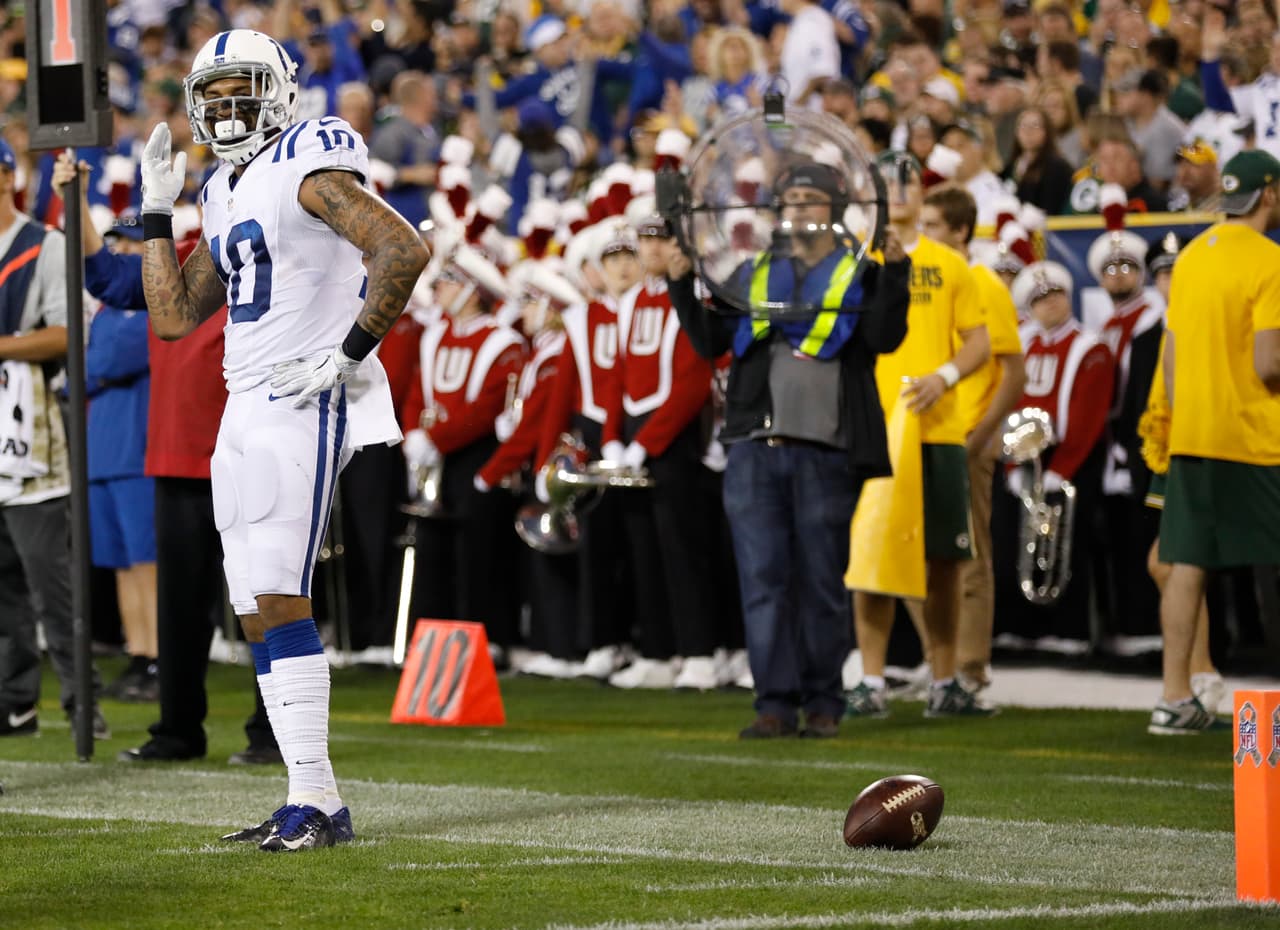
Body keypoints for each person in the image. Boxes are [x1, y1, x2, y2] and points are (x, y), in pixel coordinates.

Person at [140, 30, 429, 847]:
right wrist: (158, 210)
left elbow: (402, 248)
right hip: (245, 400)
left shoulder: (311, 155)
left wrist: (347, 354)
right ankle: (313, 795)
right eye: (216, 93)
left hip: (303, 393)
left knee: (278, 595)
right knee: (254, 607)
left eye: (244, 90)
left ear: (280, 91)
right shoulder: (227, 187)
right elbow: (172, 317)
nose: (228, 107)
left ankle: (320, 803)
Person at [667, 159, 912, 738]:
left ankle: (824, 700)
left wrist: (897, 273)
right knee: (763, 579)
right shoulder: (752, 272)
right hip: (753, 448)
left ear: (834, 209)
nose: (799, 208)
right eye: (791, 199)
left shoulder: (861, 272)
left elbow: (884, 337)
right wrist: (681, 283)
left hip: (827, 449)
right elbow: (710, 341)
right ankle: (774, 704)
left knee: (823, 581)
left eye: (810, 198)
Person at [51, 155, 281, 765]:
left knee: (266, 598)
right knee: (180, 606)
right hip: (176, 457)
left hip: (250, 450)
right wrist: (74, 199)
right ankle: (178, 729)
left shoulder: (273, 261)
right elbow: (103, 276)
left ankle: (275, 731)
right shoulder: (176, 259)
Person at [845, 152, 992, 721]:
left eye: (908, 178)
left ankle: (945, 679)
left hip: (938, 428)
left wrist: (944, 376)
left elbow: (978, 342)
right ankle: (873, 680)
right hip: (875, 427)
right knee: (872, 559)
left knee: (946, 563)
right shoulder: (855, 256)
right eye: (889, 179)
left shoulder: (951, 265)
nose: (900, 188)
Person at [1153, 149, 1280, 734]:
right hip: (1255, 435)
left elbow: (1172, 362)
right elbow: (1270, 361)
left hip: (1193, 432)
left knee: (1186, 565)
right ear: (1270, 195)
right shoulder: (1270, 260)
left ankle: (1174, 697)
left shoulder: (1190, 260)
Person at [0, 139, 109, 741]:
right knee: (4, 591)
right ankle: (15, 702)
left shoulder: (45, 244)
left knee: (52, 585)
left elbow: (70, 335)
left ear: (7, 176)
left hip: (30, 439)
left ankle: (80, 701)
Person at [918, 186, 1026, 693]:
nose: (924, 236)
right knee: (918, 554)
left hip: (967, 435)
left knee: (972, 556)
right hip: (928, 434)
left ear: (962, 231)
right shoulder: (930, 282)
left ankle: (971, 668)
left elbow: (1013, 370)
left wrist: (983, 435)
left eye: (934, 226)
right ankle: (939, 661)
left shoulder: (983, 282)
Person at [602, 215, 716, 690]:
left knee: (683, 548)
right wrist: (614, 435)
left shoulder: (691, 298)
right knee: (642, 546)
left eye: (659, 240)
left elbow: (693, 380)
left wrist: (647, 443)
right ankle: (658, 649)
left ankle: (700, 651)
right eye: (644, 241)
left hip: (675, 438)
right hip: (635, 435)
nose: (649, 250)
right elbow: (618, 372)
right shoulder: (630, 303)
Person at [400, 243, 526, 661]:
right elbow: (419, 389)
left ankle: (487, 636)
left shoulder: (503, 341)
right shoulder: (434, 334)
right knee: (435, 551)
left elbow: (488, 407)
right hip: (435, 459)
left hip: (478, 456)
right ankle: (438, 636)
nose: (436, 290)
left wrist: (436, 439)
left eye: (446, 283)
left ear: (472, 290)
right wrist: (414, 433)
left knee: (480, 552)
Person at [995, 262, 1114, 650]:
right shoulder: (1022, 343)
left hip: (1069, 462)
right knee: (1018, 544)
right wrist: (1013, 463)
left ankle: (1069, 629)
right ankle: (1021, 625)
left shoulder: (1091, 346)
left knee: (1067, 545)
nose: (1050, 304)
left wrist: (1061, 468)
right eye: (1040, 299)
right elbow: (1007, 401)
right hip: (1024, 463)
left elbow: (1089, 413)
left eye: (1056, 294)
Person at [85, 217, 160, 703]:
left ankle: (159, 658)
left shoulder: (149, 300)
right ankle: (138, 654)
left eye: (132, 240)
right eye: (119, 241)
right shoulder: (109, 309)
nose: (123, 248)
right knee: (119, 563)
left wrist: (88, 367)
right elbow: (93, 364)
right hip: (103, 450)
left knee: (146, 561)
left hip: (137, 449)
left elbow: (103, 361)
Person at [1088, 184, 1164, 656]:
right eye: (1110, 268)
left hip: (1141, 438)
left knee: (1144, 533)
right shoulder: (1106, 323)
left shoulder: (1151, 316)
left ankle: (1151, 628)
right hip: (1110, 442)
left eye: (1127, 266)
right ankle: (1127, 627)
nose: (1118, 274)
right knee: (1115, 535)